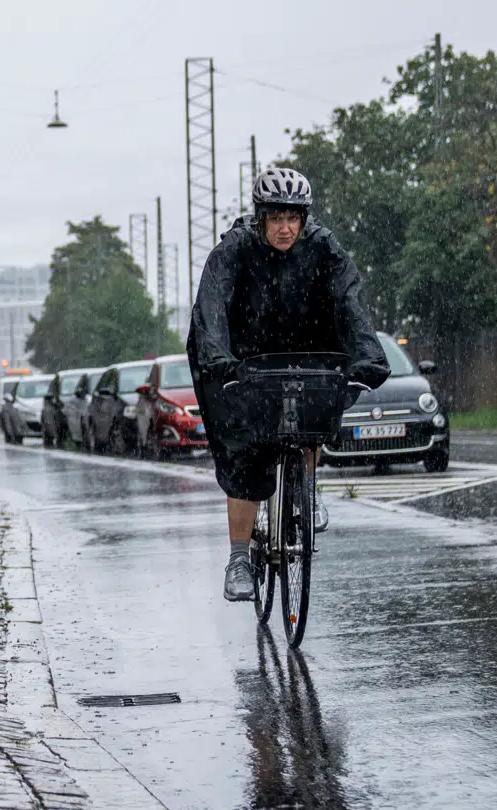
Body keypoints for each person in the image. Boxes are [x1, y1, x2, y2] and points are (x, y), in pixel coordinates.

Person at [187, 167, 391, 603]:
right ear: (260, 217)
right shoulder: (236, 249)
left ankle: (308, 490)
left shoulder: (323, 248)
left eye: (293, 218)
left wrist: (368, 358)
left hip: (306, 346)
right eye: (276, 218)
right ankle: (239, 558)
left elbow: (350, 301)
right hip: (247, 356)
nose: (285, 228)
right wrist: (221, 362)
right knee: (245, 451)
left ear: (304, 218)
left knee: (318, 403)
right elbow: (211, 306)